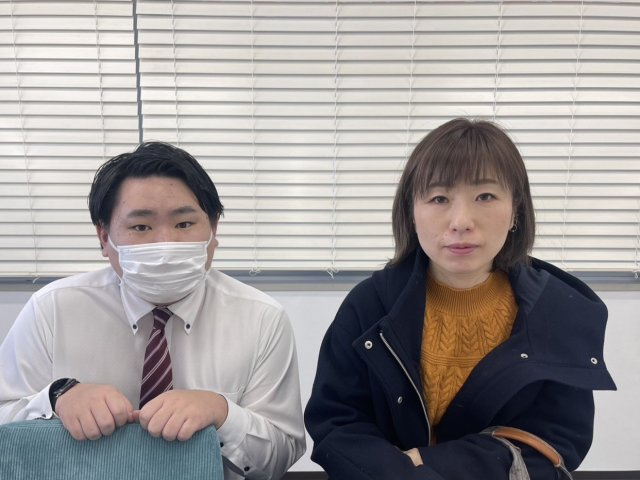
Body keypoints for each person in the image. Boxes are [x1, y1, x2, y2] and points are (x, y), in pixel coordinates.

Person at [304, 118, 616, 479]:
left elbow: (558, 440)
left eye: (485, 196)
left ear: (515, 210)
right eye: (439, 198)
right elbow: (337, 425)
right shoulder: (370, 306)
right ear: (411, 212)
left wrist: (432, 463)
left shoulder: (558, 311)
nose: (461, 221)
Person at [0, 142, 305, 479]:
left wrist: (223, 414)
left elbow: (280, 457)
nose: (165, 245)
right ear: (104, 238)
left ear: (213, 230)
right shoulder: (53, 309)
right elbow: (4, 415)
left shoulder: (261, 318)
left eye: (184, 224)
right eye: (141, 227)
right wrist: (57, 398)